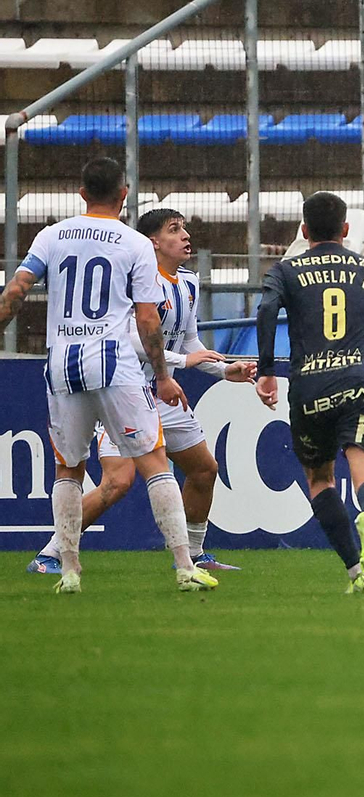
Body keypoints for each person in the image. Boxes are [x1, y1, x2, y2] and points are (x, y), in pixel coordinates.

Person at [0, 158, 219, 593]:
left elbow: (15, 293)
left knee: (68, 470)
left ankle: (68, 571)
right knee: (155, 465)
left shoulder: (51, 235)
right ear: (124, 193)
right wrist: (161, 374)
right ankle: (184, 567)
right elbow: (147, 319)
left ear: (81, 193)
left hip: (62, 364)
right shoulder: (134, 242)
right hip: (114, 364)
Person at [26, 208, 255, 576]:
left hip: (165, 394)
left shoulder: (189, 283)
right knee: (117, 482)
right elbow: (130, 339)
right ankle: (51, 553)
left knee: (204, 470)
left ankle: (194, 555)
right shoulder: (135, 279)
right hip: (125, 389)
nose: (185, 236)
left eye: (184, 228)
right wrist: (182, 362)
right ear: (153, 242)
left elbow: (191, 342)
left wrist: (226, 369)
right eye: (174, 230)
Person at [254, 191, 364, 594]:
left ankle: (355, 572)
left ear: (304, 231)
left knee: (320, 479)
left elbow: (266, 311)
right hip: (362, 381)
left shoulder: (286, 269)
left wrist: (266, 370)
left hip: (310, 386)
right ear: (346, 229)